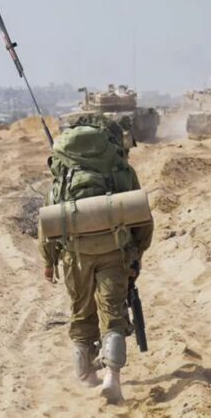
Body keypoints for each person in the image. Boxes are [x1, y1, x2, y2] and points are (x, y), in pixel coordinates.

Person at [37, 121, 153, 403]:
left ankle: (85, 376)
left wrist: (49, 262)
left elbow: (47, 226)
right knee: (112, 312)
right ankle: (112, 378)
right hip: (115, 251)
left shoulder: (62, 175)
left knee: (81, 312)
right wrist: (137, 252)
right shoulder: (122, 171)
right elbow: (142, 217)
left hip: (75, 256)